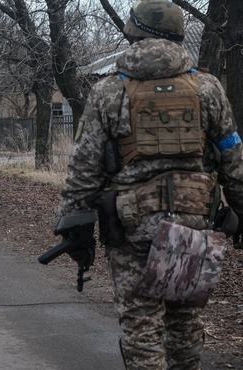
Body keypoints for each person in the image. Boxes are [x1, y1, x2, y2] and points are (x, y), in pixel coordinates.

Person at [56, 1, 243, 369]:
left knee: (141, 326)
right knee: (184, 321)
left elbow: (84, 169)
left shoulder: (109, 91)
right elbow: (232, 158)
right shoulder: (208, 89)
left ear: (134, 33)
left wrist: (69, 221)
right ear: (176, 34)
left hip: (132, 226)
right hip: (192, 222)